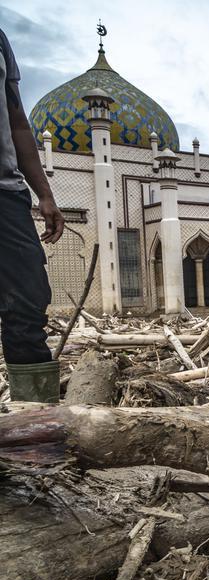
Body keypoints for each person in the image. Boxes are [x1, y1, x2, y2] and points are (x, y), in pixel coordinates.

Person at [0, 29, 65, 402]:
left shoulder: (0, 40)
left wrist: (44, 192)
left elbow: (17, 120)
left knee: (27, 302)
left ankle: (35, 428)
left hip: (7, 194)